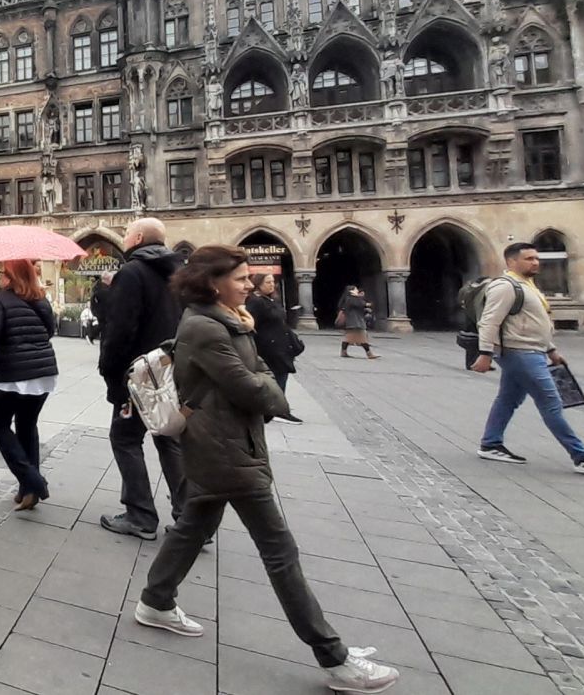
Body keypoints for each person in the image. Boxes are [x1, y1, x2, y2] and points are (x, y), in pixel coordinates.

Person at [134, 245, 400, 694]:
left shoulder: (227, 320)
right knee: (279, 551)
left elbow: (256, 371)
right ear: (212, 283)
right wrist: (273, 392)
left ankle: (156, 601)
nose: (248, 284)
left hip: (225, 442)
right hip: (225, 448)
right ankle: (334, 657)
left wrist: (261, 378)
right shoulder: (206, 327)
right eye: (240, 278)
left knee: (194, 526)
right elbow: (251, 386)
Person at [473, 242, 584, 474]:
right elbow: (489, 321)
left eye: (537, 258)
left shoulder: (528, 285)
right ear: (511, 261)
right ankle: (580, 456)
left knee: (508, 399)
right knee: (551, 403)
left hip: (532, 350)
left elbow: (537, 323)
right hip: (520, 352)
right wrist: (485, 354)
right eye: (529, 258)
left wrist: (551, 350)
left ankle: (490, 444)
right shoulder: (505, 286)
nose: (536, 262)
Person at [97, 216, 187, 541]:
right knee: (168, 437)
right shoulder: (179, 271)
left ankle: (140, 515)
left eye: (125, 232)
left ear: (136, 238)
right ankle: (190, 519)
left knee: (124, 438)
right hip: (170, 369)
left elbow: (120, 330)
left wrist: (110, 372)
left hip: (138, 373)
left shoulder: (132, 272)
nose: (123, 236)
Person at [0, 259, 57, 510]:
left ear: (12, 276)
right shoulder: (40, 298)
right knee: (27, 425)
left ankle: (34, 481)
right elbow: (50, 330)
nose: (0, 277)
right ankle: (28, 491)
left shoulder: (2, 299)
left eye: (3, 273)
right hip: (43, 371)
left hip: (13, 373)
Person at [248, 274, 304, 425]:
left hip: (280, 346)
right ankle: (278, 409)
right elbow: (250, 324)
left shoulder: (271, 300)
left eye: (273, 282)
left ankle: (277, 407)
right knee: (277, 376)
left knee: (281, 375)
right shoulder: (256, 302)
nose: (272, 285)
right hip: (269, 347)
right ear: (258, 284)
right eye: (268, 282)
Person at [337, 285, 378, 359]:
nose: (357, 290)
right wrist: (367, 304)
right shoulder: (351, 299)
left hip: (353, 321)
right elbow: (360, 304)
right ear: (351, 291)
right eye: (355, 289)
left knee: (349, 338)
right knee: (362, 338)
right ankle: (369, 354)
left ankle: (343, 352)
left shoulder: (350, 298)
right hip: (355, 322)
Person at [87, 271, 115, 344]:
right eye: (111, 279)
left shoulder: (99, 286)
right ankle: (92, 336)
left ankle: (93, 336)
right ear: (107, 279)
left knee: (103, 325)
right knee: (104, 325)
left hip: (99, 309)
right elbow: (108, 299)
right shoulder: (102, 289)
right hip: (101, 310)